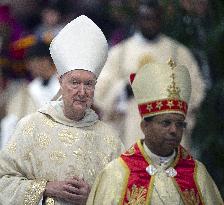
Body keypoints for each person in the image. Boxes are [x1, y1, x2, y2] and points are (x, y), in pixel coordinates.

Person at [0, 15, 124, 205]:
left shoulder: (110, 140)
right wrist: (45, 188)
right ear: (60, 83)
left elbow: (125, 194)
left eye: (89, 84)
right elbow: (4, 181)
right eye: (74, 82)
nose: (82, 92)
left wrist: (94, 197)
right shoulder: (31, 127)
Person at [87, 59, 223, 204]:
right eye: (166, 123)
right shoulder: (116, 174)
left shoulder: (197, 174)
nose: (174, 130)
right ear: (144, 126)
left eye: (180, 124)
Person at [94, 0, 205, 149]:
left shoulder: (178, 53)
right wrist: (124, 90)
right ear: (138, 19)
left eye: (154, 18)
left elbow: (196, 89)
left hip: (169, 131)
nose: (150, 23)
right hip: (132, 129)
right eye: (146, 18)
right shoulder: (121, 53)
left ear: (161, 19)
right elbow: (101, 91)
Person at [0, 41, 60, 148]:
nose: (30, 67)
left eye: (32, 62)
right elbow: (15, 117)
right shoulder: (30, 88)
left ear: (46, 61)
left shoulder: (65, 84)